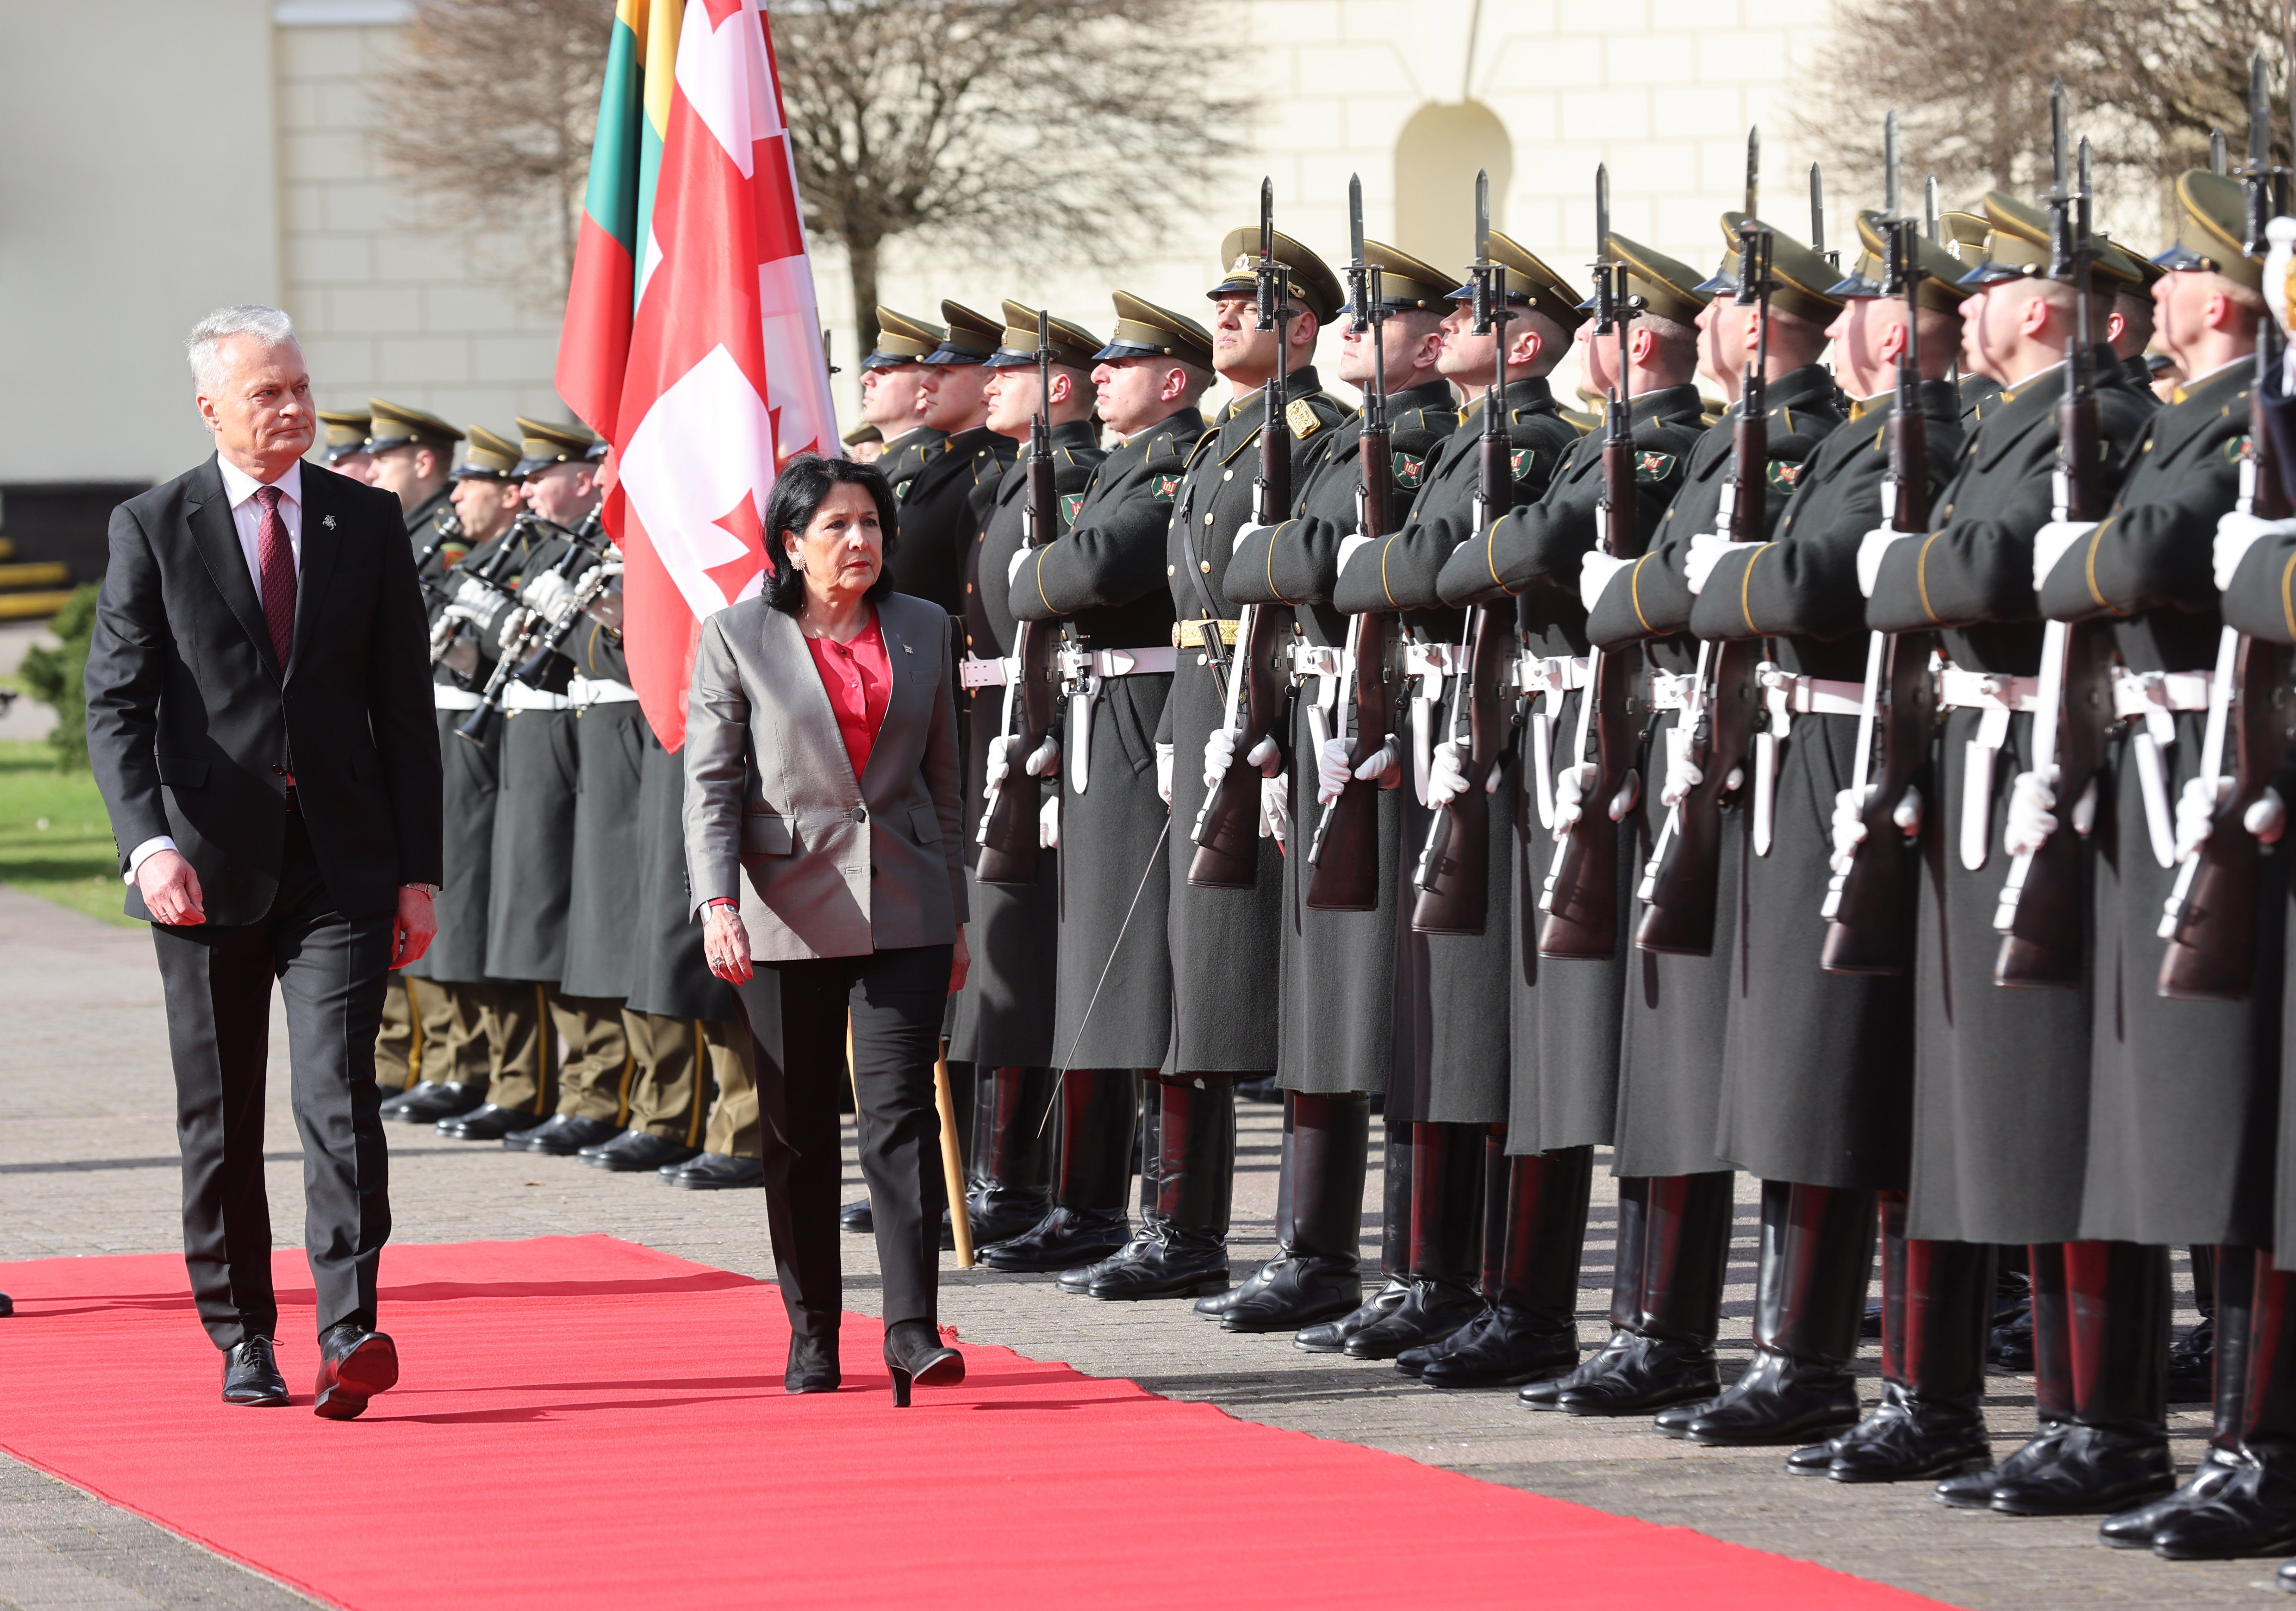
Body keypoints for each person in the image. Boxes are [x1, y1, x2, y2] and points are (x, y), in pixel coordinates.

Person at [84, 304, 441, 1417]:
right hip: (205, 865)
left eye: (298, 386)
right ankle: (244, 1332)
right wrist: (146, 844)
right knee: (223, 1111)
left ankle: (350, 1329)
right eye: (266, 394)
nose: (293, 407)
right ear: (211, 410)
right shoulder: (155, 526)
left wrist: (419, 871)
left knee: (340, 1095)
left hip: (341, 864)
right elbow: (117, 704)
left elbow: (403, 711)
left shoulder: (365, 522)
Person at [1863, 188, 2157, 1517]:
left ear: (2037, 307)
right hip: (1983, 772)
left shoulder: (2099, 423)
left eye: (1978, 289)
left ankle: (2103, 1424)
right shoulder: (2005, 426)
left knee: (2054, 1103)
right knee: (1985, 1102)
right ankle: (2041, 1416)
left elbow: (1982, 582)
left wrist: (1907, 563)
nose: (1953, 310)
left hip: (2062, 783)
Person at [1678, 210, 1970, 1457]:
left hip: (1862, 760)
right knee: (1807, 1075)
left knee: (1859, 1077)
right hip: (1803, 757)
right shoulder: (1857, 441)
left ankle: (1901, 1386)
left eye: (1857, 302)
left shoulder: (1914, 437)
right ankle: (1795, 1357)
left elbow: (1812, 586)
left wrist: (1708, 577)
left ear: (1889, 327)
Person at [2035, 172, 2280, 1554]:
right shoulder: (2182, 422)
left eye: (2184, 265)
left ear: (2221, 294)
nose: (2161, 289)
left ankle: (2250, 1445)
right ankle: (2192, 1437)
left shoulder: (2240, 420)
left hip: (2210, 780)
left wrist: (2085, 555)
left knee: (2220, 1126)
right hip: (2144, 776)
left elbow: (2141, 559)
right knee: (2168, 1121)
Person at [1567, 215, 1847, 1420]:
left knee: (1788, 1060)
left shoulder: (1800, 443)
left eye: (1725, 299)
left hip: (1778, 753)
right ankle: (1659, 1328)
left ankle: (1793, 1354)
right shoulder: (1730, 440)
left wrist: (1634, 593)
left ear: (1751, 317)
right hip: (1700, 747)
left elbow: (1697, 592)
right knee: (1675, 1043)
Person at [1435, 229, 1710, 1402]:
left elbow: (1524, 553)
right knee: (1551, 1040)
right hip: (1564, 743)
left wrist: (1487, 550)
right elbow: (1472, 568)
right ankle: (1532, 1304)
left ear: (1634, 341)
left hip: (1628, 751)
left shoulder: (1660, 448)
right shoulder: (1594, 447)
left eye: (1602, 324)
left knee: (1649, 1047)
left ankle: (1649, 1326)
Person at [684, 453, 970, 1405]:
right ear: (791, 544)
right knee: (798, 1129)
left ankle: (911, 1329)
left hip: (909, 903)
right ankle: (813, 1331)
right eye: (838, 526)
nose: (860, 541)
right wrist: (716, 901)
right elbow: (713, 783)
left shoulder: (925, 628)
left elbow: (945, 781)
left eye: (872, 525)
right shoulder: (736, 636)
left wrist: (957, 908)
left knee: (900, 1119)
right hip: (781, 906)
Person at [1220, 240, 1458, 1336]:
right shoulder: (1347, 440)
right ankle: (1309, 1250)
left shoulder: (1417, 439)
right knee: (1323, 1000)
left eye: (1389, 314)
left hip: (1384, 730)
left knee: (1392, 1010)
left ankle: (1405, 1266)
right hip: (1321, 715)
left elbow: (1314, 563)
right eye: (1355, 312)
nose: (1361, 327)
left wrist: (1292, 550)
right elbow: (1251, 562)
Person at [986, 290, 1213, 1274]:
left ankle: (1158, 1221)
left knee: (1143, 988)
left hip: (1137, 727)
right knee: (1096, 977)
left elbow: (1080, 576)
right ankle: (1085, 1207)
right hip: (1093, 721)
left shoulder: (1169, 462)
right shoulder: (1124, 464)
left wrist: (1040, 568)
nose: (1103, 377)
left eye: (1126, 365)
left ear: (1173, 382)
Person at [949, 303, 1108, 1243]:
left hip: (1049, 734)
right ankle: (996, 1176)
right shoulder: (1015, 477)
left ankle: (1027, 1181)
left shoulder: (1075, 475)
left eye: (1007, 374)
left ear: (1055, 388)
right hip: (1001, 730)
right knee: (1005, 955)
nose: (989, 386)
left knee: (1038, 961)